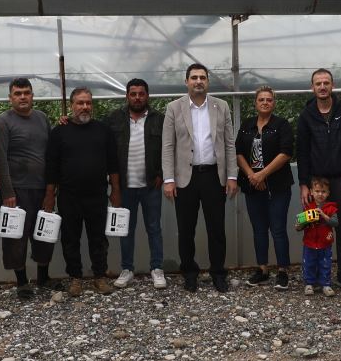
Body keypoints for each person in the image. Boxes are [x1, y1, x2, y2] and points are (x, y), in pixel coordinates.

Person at [162, 63, 238, 293]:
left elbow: (229, 143)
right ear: (186, 82)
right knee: (186, 230)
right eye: (194, 77)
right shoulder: (174, 108)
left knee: (217, 229)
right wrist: (168, 179)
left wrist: (232, 175)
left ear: (207, 81)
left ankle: (218, 273)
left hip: (214, 176)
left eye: (202, 77)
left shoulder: (221, 106)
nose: (198, 81)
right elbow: (168, 146)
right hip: (185, 178)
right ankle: (189, 273)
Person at [45, 87, 120, 297]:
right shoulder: (59, 132)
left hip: (97, 194)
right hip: (69, 196)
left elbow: (113, 163)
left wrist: (116, 190)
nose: (85, 107)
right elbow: (51, 167)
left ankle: (99, 277)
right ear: (72, 106)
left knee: (99, 238)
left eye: (88, 103)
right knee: (70, 238)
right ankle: (75, 278)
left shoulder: (103, 130)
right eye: (80, 103)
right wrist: (49, 195)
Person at [296, 68, 341, 292]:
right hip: (317, 182)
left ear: (332, 85)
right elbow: (302, 152)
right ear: (312, 88)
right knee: (313, 225)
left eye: (326, 83)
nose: (322, 87)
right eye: (318, 83)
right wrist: (304, 184)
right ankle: (314, 276)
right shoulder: (306, 115)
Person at [0, 78, 55, 299]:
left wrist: (51, 189)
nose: (23, 97)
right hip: (16, 190)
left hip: (42, 189)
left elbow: (51, 153)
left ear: (32, 96)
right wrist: (8, 192)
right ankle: (22, 282)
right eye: (17, 93)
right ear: (10, 98)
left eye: (26, 92)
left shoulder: (42, 118)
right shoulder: (2, 123)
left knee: (45, 234)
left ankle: (43, 277)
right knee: (16, 238)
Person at [104, 79, 167, 290]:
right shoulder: (114, 119)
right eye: (133, 94)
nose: (137, 97)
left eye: (141, 93)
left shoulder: (159, 119)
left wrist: (162, 174)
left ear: (147, 96)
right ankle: (127, 269)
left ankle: (157, 268)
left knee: (154, 228)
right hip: (124, 186)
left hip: (151, 186)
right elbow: (100, 142)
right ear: (127, 96)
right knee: (126, 230)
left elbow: (169, 148)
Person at [236, 85, 293, 290]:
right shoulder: (247, 125)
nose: (265, 102)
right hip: (252, 185)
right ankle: (262, 269)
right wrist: (252, 176)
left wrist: (262, 174)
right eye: (261, 99)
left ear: (274, 103)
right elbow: (238, 152)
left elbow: (286, 153)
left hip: (277, 186)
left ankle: (283, 271)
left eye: (269, 99)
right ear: (255, 103)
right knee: (259, 229)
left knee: (278, 229)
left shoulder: (282, 125)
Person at [296, 177, 338, 297]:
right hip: (309, 242)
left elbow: (335, 223)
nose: (320, 194)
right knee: (309, 263)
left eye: (323, 191)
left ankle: (326, 284)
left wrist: (323, 215)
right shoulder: (308, 207)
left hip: (325, 243)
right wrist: (299, 224)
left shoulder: (331, 208)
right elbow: (300, 226)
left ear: (328, 193)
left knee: (325, 264)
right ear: (311, 192)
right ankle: (309, 283)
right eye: (317, 191)